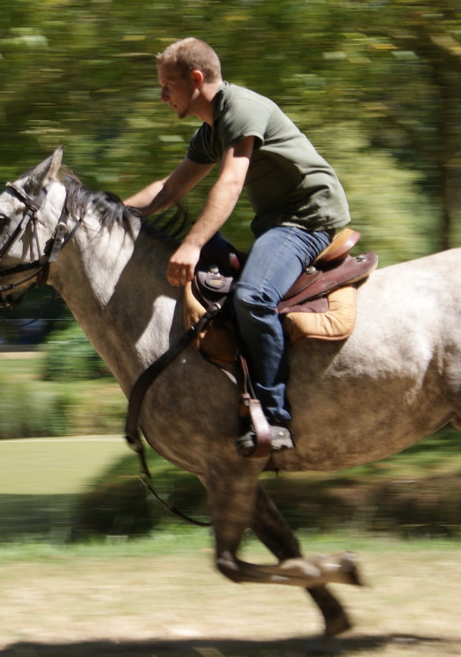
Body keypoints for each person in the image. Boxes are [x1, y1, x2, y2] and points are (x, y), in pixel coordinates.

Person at [124, 37, 350, 456]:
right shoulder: (210, 130)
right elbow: (168, 189)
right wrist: (107, 214)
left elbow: (229, 183)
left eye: (166, 85)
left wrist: (193, 245)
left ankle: (276, 418)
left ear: (195, 79)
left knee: (252, 295)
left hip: (308, 220)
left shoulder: (240, 109)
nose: (161, 96)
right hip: (275, 224)